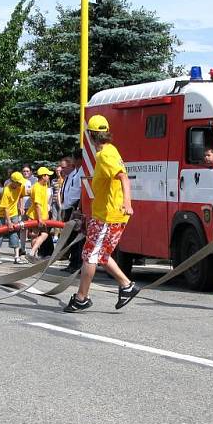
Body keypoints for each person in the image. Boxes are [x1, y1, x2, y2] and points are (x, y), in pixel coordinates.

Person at [64, 115, 138, 313]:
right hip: (107, 214)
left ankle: (81, 297)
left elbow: (123, 178)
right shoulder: (110, 150)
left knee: (90, 255)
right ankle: (126, 286)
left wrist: (127, 203)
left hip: (108, 216)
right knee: (102, 254)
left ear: (90, 135)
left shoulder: (105, 156)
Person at [0, 171, 27, 265]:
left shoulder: (21, 187)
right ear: (13, 182)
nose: (20, 184)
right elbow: (6, 208)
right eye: (18, 182)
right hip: (1, 215)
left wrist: (21, 206)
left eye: (20, 182)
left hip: (14, 213)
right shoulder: (6, 191)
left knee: (15, 233)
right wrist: (9, 222)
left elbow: (21, 196)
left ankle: (16, 256)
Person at [61, 149, 84, 273]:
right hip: (69, 206)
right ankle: (72, 262)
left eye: (74, 158)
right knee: (70, 237)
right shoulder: (75, 172)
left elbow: (82, 192)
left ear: (79, 159)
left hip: (75, 207)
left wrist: (79, 208)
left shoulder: (82, 172)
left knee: (75, 237)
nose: (73, 161)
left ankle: (77, 264)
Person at [27, 166, 53, 260]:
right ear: (43, 176)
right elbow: (37, 204)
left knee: (36, 235)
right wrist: (40, 218)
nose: (49, 177)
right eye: (47, 175)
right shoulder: (37, 187)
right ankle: (32, 252)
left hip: (42, 215)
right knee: (43, 234)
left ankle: (34, 254)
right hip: (37, 216)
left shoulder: (44, 185)